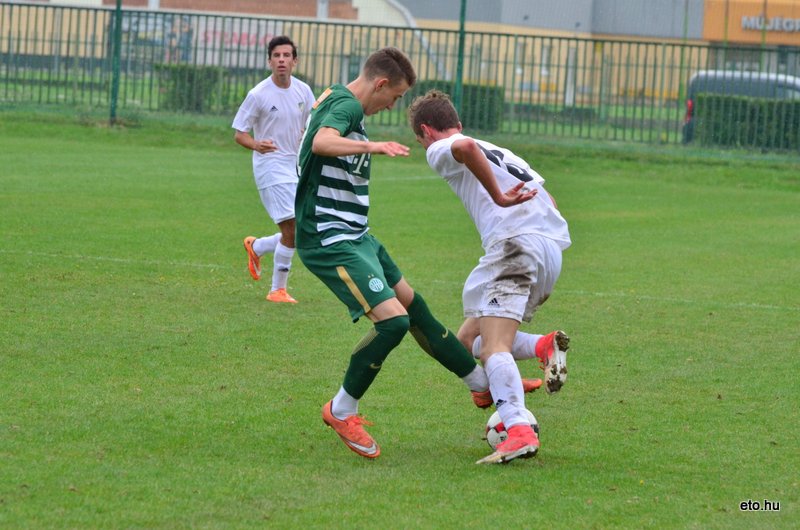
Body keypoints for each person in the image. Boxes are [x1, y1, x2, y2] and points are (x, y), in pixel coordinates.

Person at [295, 47, 541, 460]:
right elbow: (321, 142)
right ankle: (341, 410)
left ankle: (484, 387)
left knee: (418, 312)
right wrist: (373, 148)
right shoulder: (344, 105)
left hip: (359, 236)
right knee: (394, 323)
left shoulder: (343, 104)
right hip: (328, 237)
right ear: (380, 84)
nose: (392, 105)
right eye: (393, 97)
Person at [407, 89, 572, 464]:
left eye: (420, 141)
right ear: (458, 120)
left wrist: (497, 198)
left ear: (427, 131)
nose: (424, 147)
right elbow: (549, 199)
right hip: (548, 249)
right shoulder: (504, 152)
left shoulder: (442, 146)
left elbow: (461, 147)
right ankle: (537, 350)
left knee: (494, 346)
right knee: (469, 339)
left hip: (513, 247)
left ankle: (517, 429)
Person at [233, 36, 315, 303]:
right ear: (269, 61)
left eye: (286, 55)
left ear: (295, 60)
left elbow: (311, 125)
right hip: (270, 167)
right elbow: (239, 134)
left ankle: (256, 246)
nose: (281, 60)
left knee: (300, 229)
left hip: (295, 166)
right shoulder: (258, 94)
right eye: (276, 55)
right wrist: (257, 144)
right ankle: (277, 289)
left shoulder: (303, 91)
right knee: (292, 228)